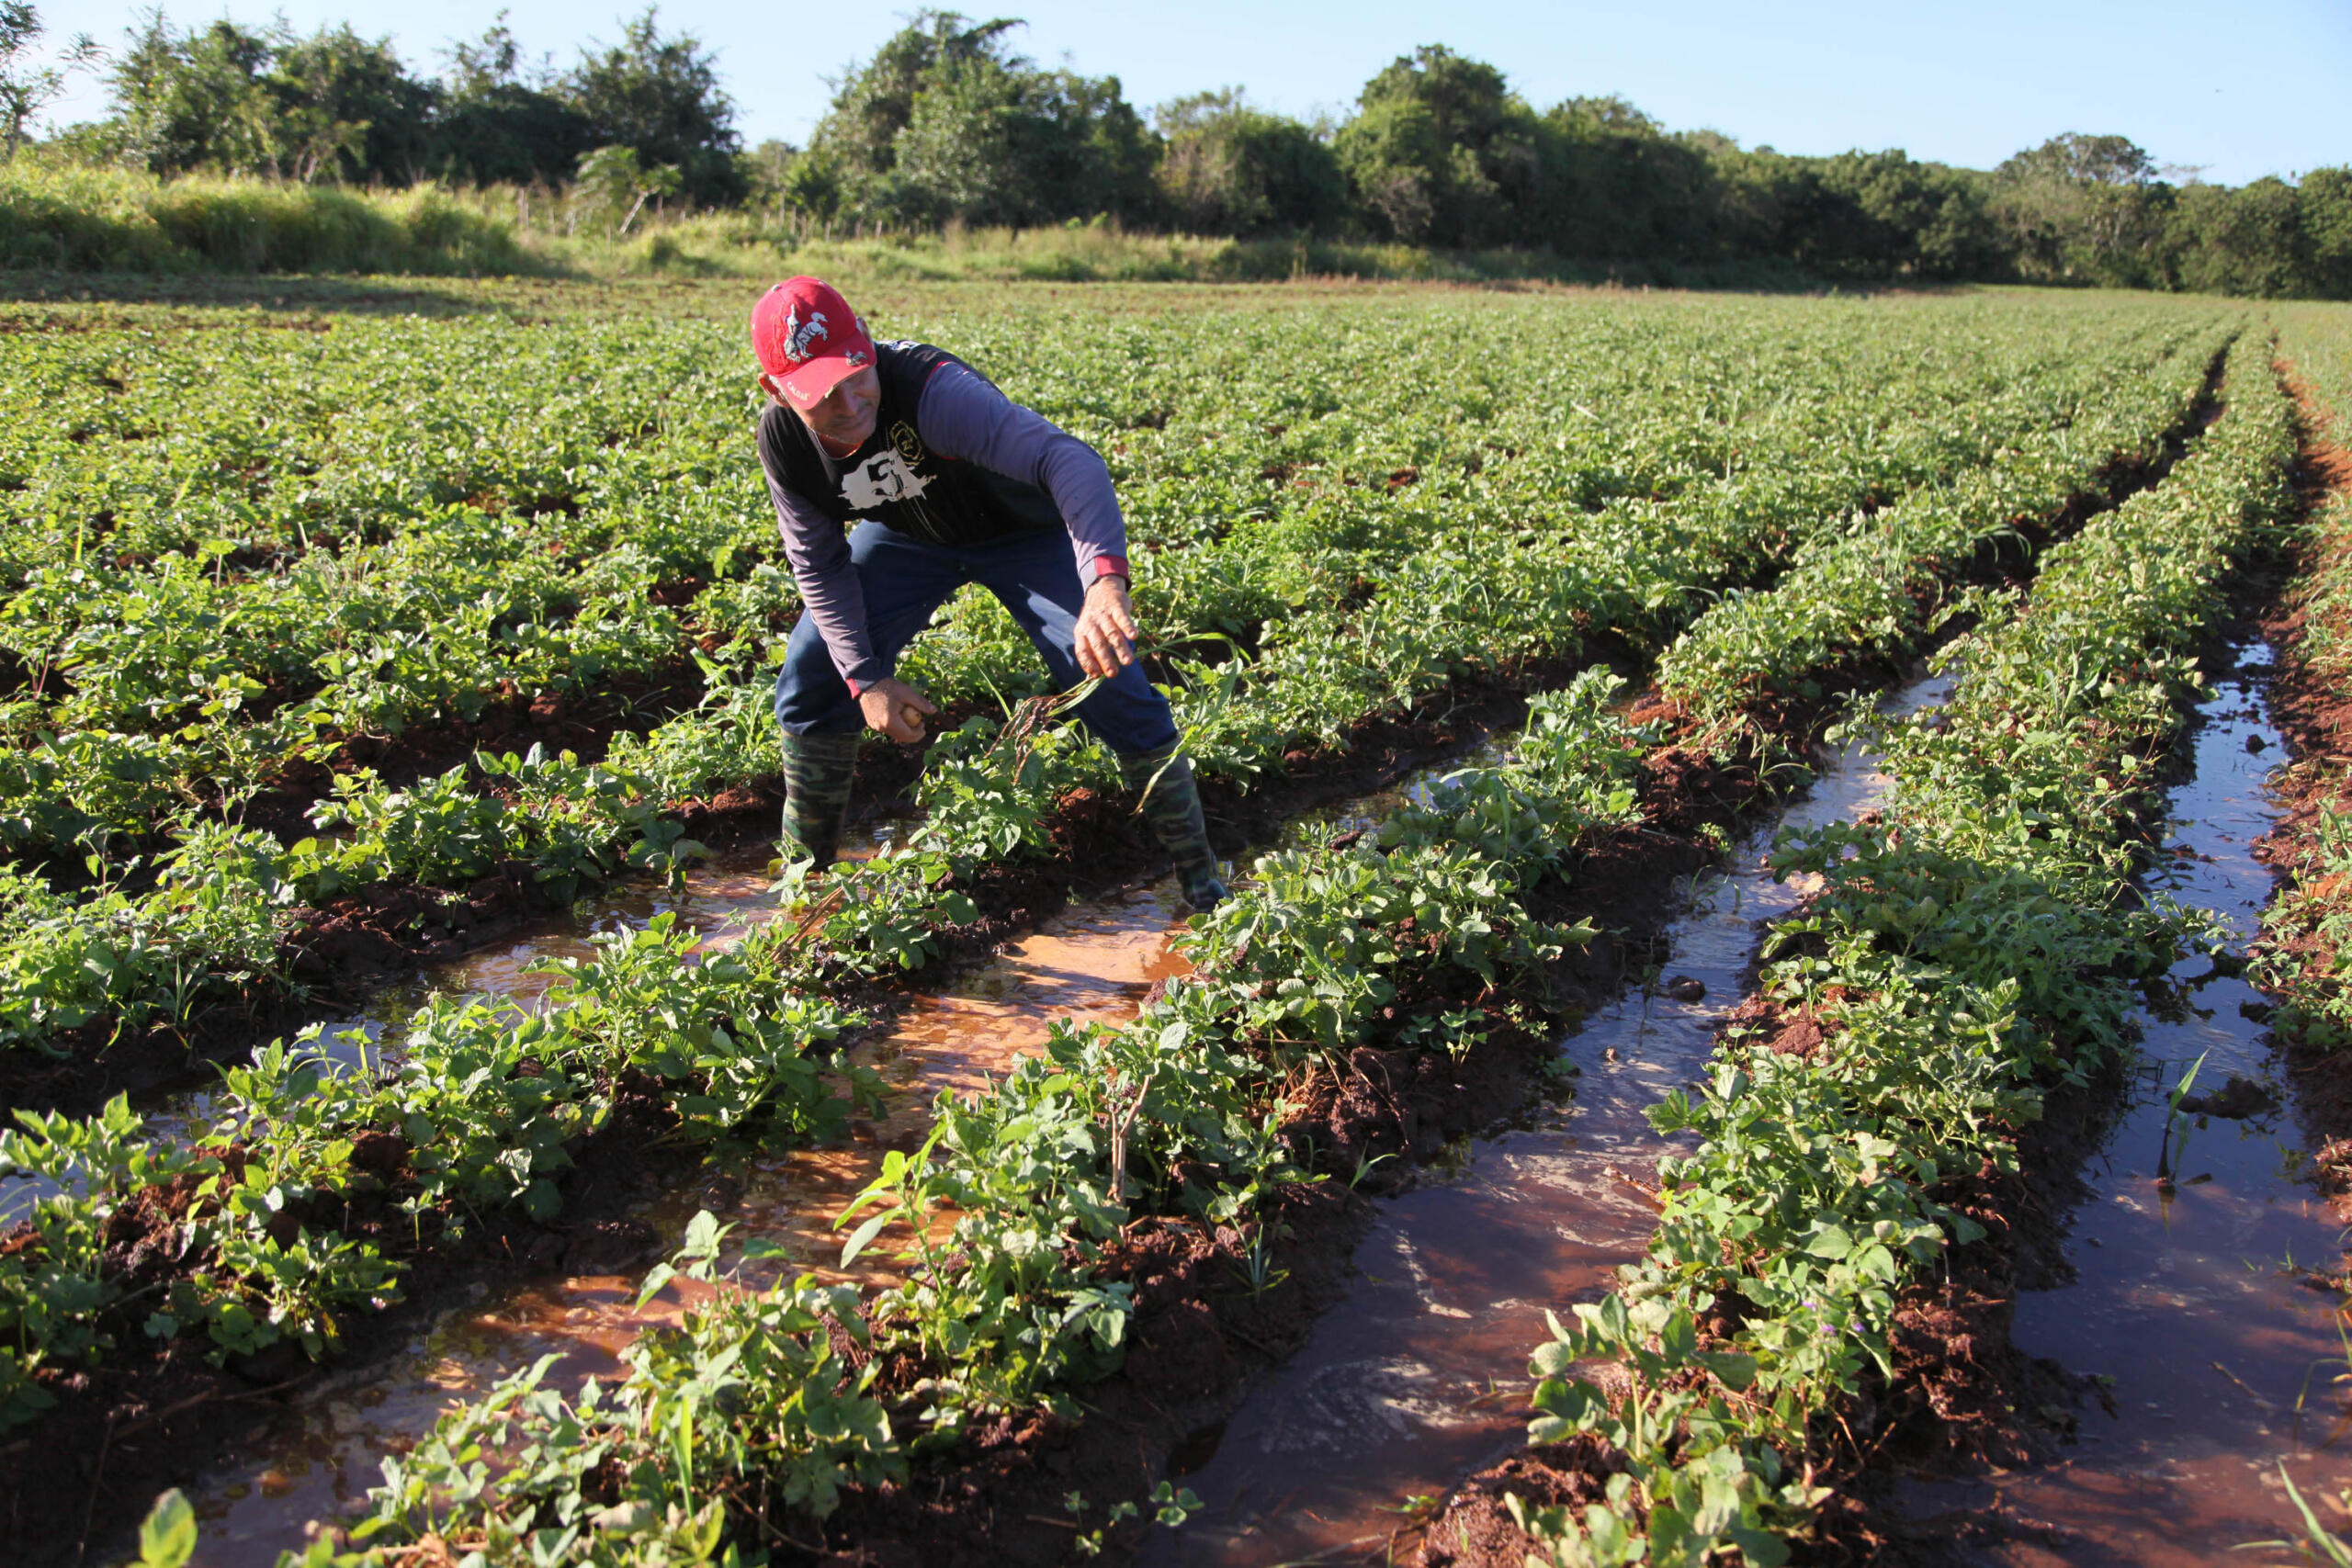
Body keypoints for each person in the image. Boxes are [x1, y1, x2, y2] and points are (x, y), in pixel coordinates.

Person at [751, 275, 1228, 908]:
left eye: (854, 373)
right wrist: (865, 679)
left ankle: (1204, 888)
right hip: (908, 539)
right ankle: (803, 890)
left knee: (1113, 677)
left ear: (866, 340)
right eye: (819, 395)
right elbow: (818, 563)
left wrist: (1104, 585)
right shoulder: (786, 442)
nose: (847, 403)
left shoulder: (933, 395)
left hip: (1019, 535)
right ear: (777, 393)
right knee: (815, 670)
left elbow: (1071, 461)